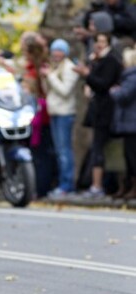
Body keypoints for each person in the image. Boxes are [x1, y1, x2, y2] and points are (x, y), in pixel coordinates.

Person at [74, 32, 123, 197]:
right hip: (98, 111)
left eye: (102, 41)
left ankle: (97, 185)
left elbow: (102, 84)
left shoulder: (111, 61)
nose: (99, 44)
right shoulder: (97, 60)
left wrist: (87, 75)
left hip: (105, 112)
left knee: (99, 149)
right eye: (97, 41)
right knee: (97, 148)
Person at [41, 39, 79, 198]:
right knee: (59, 151)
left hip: (65, 114)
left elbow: (65, 91)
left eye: (60, 50)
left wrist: (49, 76)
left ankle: (67, 185)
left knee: (64, 151)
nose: (56, 54)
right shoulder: (56, 68)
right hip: (55, 112)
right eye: (54, 50)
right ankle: (62, 183)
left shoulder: (70, 68)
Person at [110, 47, 136, 199]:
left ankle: (132, 186)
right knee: (127, 156)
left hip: (131, 123)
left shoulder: (132, 78)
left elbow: (124, 95)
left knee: (132, 157)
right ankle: (127, 185)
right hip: (128, 123)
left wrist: (115, 92)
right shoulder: (128, 77)